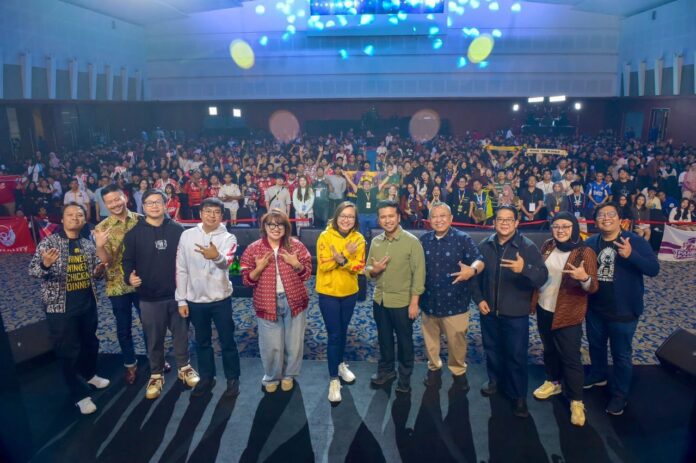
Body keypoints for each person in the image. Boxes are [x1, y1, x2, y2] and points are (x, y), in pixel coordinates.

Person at [29, 203, 109, 414]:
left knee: (90, 343)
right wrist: (45, 264)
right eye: (70, 215)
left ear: (84, 219)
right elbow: (33, 271)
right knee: (69, 350)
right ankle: (79, 394)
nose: (75, 218)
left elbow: (97, 274)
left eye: (79, 215)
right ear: (62, 219)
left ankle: (90, 375)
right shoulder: (50, 242)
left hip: (87, 304)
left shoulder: (87, 244)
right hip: (60, 309)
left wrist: (99, 271)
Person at [122, 189, 200, 399]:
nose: (154, 206)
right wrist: (129, 277)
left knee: (182, 334)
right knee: (154, 338)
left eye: (158, 202)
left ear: (166, 205)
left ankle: (184, 367)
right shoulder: (133, 233)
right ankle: (156, 374)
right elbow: (127, 262)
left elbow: (189, 260)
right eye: (149, 203)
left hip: (178, 295)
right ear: (143, 207)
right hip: (149, 297)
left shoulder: (178, 230)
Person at [471, 206, 548, 418]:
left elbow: (542, 277)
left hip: (516, 313)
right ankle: (495, 381)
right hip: (488, 311)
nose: (504, 223)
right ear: (494, 222)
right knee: (492, 349)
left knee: (516, 355)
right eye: (500, 219)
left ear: (516, 223)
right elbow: (474, 278)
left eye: (509, 220)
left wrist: (524, 269)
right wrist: (479, 300)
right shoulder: (484, 245)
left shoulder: (527, 247)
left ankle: (518, 396)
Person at [584, 202, 659, 416]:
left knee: (621, 355)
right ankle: (598, 374)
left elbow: (653, 269)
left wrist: (631, 255)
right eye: (601, 215)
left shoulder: (634, 241)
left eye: (611, 214)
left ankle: (620, 395)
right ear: (596, 221)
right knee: (596, 347)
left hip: (624, 311)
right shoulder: (590, 243)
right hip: (595, 308)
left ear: (620, 219)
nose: (606, 218)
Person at [530, 212, 599, 427]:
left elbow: (593, 287)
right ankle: (553, 381)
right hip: (544, 308)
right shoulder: (548, 245)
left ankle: (576, 401)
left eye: (565, 226)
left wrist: (584, 278)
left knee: (570, 357)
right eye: (556, 226)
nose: (560, 230)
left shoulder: (585, 252)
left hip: (568, 313)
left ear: (574, 228)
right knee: (549, 349)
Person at [240, 210, 312, 393]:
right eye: (271, 224)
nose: (276, 228)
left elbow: (307, 274)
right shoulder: (253, 248)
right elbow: (246, 281)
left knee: (294, 342)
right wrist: (259, 268)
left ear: (286, 228)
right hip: (266, 302)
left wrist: (296, 264)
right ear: (264, 227)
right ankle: (272, 376)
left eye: (280, 224)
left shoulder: (296, 246)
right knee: (271, 344)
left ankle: (289, 375)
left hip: (294, 300)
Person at [176, 198, 241, 398]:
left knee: (227, 340)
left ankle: (232, 378)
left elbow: (227, 264)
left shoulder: (229, 238)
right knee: (201, 341)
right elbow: (181, 268)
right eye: (208, 211)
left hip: (221, 299)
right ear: (200, 213)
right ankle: (207, 377)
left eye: (216, 212)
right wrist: (181, 299)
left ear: (221, 216)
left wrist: (216, 256)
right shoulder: (187, 235)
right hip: (195, 300)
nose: (212, 216)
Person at [419, 202, 484, 391]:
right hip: (429, 302)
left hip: (455, 302)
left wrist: (472, 270)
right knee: (430, 341)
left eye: (443, 216)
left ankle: (458, 371)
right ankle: (433, 368)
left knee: (457, 343)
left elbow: (479, 260)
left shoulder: (463, 239)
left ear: (451, 218)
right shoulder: (424, 240)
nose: (438, 220)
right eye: (434, 216)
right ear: (429, 220)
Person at [365, 200, 425, 394]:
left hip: (403, 302)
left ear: (398, 217)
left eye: (391, 216)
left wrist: (414, 303)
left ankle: (405, 377)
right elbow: (367, 269)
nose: (387, 220)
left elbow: (419, 274)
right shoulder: (376, 241)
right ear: (378, 220)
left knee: (405, 342)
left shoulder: (412, 242)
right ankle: (387, 371)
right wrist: (374, 270)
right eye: (383, 217)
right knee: (384, 339)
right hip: (380, 300)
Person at [94, 184, 148, 385]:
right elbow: (106, 260)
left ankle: (155, 360)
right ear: (105, 204)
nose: (115, 204)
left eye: (117, 199)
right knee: (123, 328)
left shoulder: (142, 220)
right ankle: (130, 364)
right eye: (109, 202)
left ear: (124, 197)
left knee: (149, 324)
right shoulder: (101, 228)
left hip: (142, 282)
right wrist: (100, 246)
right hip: (117, 285)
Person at [315, 202, 366, 403]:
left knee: (343, 331)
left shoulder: (359, 238)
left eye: (351, 217)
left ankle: (340, 364)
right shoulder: (325, 236)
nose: (346, 220)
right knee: (334, 334)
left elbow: (359, 267)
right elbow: (324, 265)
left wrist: (341, 261)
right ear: (336, 217)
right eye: (343, 216)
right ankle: (334, 380)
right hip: (328, 293)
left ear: (355, 220)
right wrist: (345, 255)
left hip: (349, 292)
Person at [344, 174, 379, 238]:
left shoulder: (374, 190)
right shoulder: (359, 191)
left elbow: (382, 184)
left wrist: (389, 176)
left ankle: (372, 243)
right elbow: (352, 184)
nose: (366, 185)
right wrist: (346, 175)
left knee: (373, 233)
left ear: (370, 185)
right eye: (365, 184)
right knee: (361, 233)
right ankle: (362, 243)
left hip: (373, 215)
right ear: (362, 185)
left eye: (368, 184)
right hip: (361, 215)